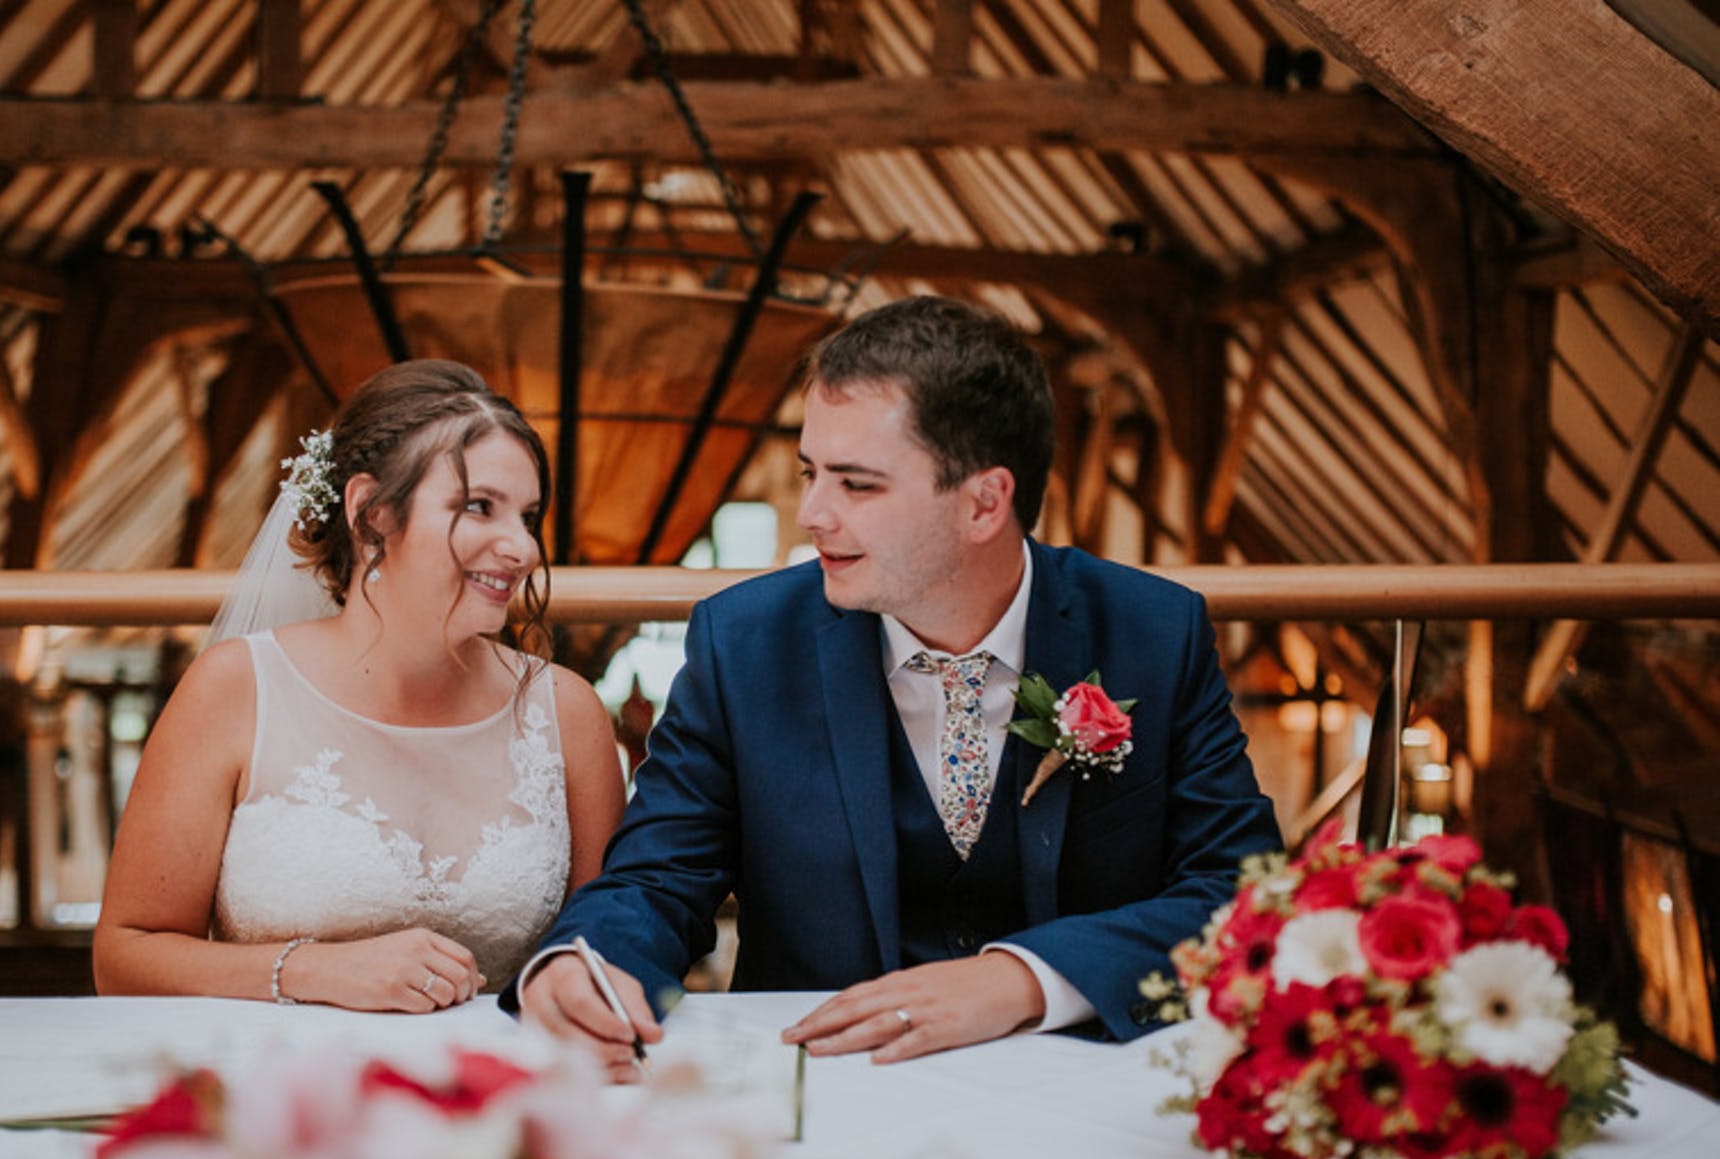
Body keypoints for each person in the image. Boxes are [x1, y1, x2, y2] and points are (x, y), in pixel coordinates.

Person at [515, 296, 1280, 1074]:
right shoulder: (745, 644)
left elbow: (1242, 892)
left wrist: (1023, 978)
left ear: (985, 502)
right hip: (825, 1083)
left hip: (1081, 1077)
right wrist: (586, 963)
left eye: (857, 484)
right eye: (813, 473)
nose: (812, 513)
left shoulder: (1152, 632)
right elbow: (658, 875)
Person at [95, 360, 625, 1011]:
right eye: (479, 507)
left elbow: (609, 947)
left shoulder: (564, 712)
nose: (521, 548)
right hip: (284, 1091)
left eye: (528, 516)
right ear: (371, 512)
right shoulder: (235, 689)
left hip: (498, 1092)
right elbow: (124, 956)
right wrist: (310, 971)